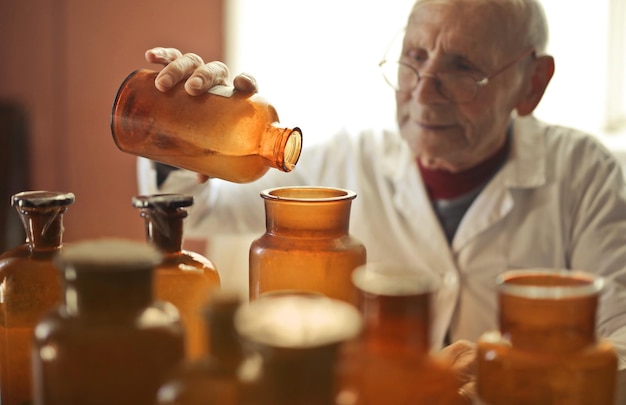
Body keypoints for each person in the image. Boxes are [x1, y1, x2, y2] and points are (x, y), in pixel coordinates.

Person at [137, 0, 626, 402]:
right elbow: (201, 204)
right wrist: (183, 128)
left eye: (462, 67)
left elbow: (620, 340)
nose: (424, 87)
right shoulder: (345, 161)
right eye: (415, 56)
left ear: (531, 83)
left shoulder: (584, 173)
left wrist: (522, 376)